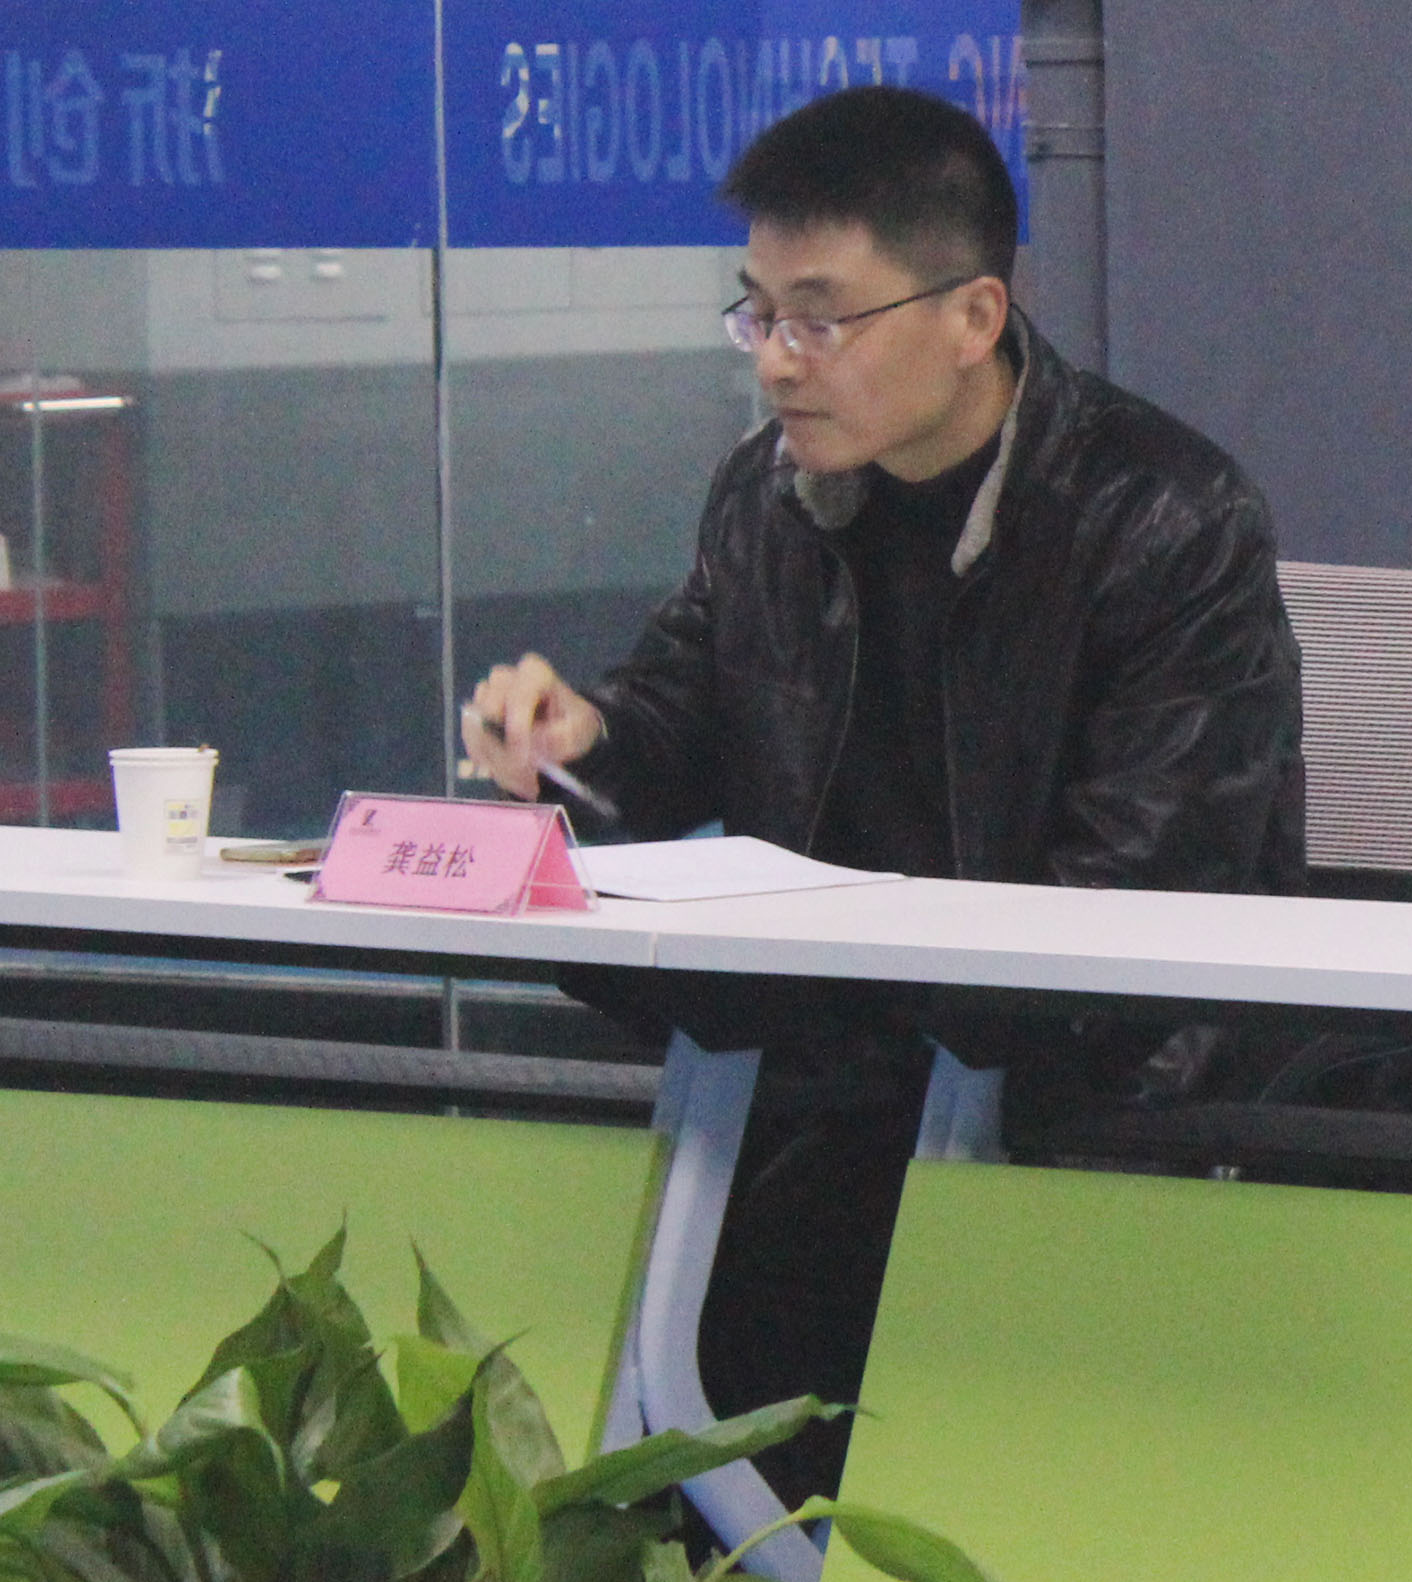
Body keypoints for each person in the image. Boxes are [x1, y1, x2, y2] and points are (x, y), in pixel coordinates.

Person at [462, 83, 1305, 1500]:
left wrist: (857, 994)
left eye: (821, 319)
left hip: (1081, 1116)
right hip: (837, 1082)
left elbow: (1145, 892)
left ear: (973, 317)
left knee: (739, 1368)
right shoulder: (767, 498)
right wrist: (575, 743)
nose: (777, 364)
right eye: (756, 315)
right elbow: (674, 722)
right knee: (614, 1373)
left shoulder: (1165, 518)